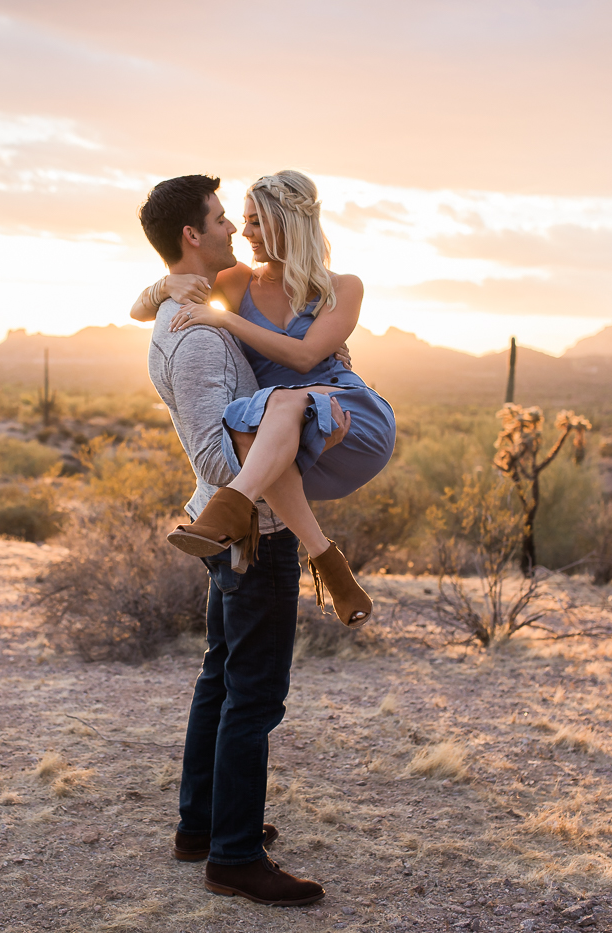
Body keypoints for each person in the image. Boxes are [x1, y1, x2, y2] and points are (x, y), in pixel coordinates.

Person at [139, 174, 327, 906]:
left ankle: (202, 825)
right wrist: (286, 456)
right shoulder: (193, 344)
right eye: (221, 220)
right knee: (254, 695)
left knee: (221, 679)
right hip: (252, 533)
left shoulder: (190, 311)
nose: (231, 232)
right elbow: (216, 458)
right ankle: (235, 855)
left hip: (228, 527)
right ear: (193, 234)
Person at [131, 169, 397, 627]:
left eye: (256, 222)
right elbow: (139, 310)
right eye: (242, 220)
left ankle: (226, 509)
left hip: (344, 411)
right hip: (279, 426)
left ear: (288, 224)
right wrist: (164, 287)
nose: (244, 232)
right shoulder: (237, 281)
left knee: (281, 404)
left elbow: (305, 356)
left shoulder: (342, 287)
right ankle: (328, 563)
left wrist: (225, 320)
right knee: (252, 426)